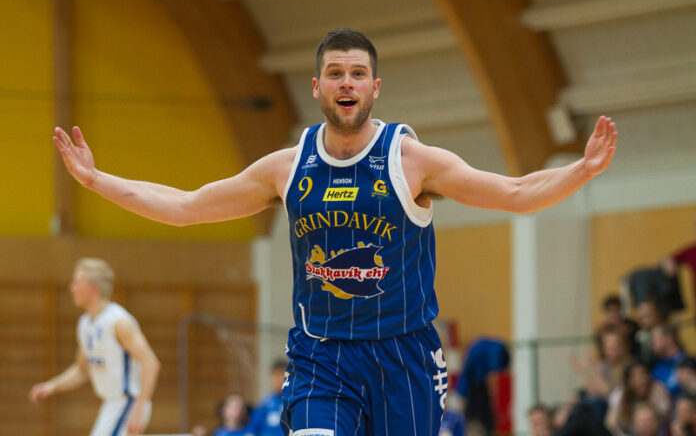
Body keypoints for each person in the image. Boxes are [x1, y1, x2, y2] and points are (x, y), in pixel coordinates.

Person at [52, 28, 618, 435]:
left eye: (358, 74)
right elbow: (187, 206)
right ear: (318, 87)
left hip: (404, 353)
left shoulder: (411, 161)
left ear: (375, 87)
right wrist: (97, 181)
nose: (347, 83)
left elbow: (515, 193)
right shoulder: (286, 167)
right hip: (321, 353)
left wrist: (582, 171)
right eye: (335, 73)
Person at [29, 258, 160, 436]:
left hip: (128, 402)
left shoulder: (119, 322)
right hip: (111, 404)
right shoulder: (85, 324)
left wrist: (140, 406)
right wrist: (51, 386)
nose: (72, 288)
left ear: (93, 289)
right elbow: (82, 370)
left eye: (77, 283)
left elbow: (151, 363)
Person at [605, 362, 670, 436]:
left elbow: (665, 416)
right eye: (635, 376)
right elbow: (611, 423)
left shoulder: (657, 389)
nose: (641, 380)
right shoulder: (620, 393)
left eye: (643, 374)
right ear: (628, 380)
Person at [246, 358, 288, 436]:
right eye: (275, 376)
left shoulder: (295, 402)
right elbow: (251, 430)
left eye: (281, 375)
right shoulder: (264, 404)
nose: (278, 380)